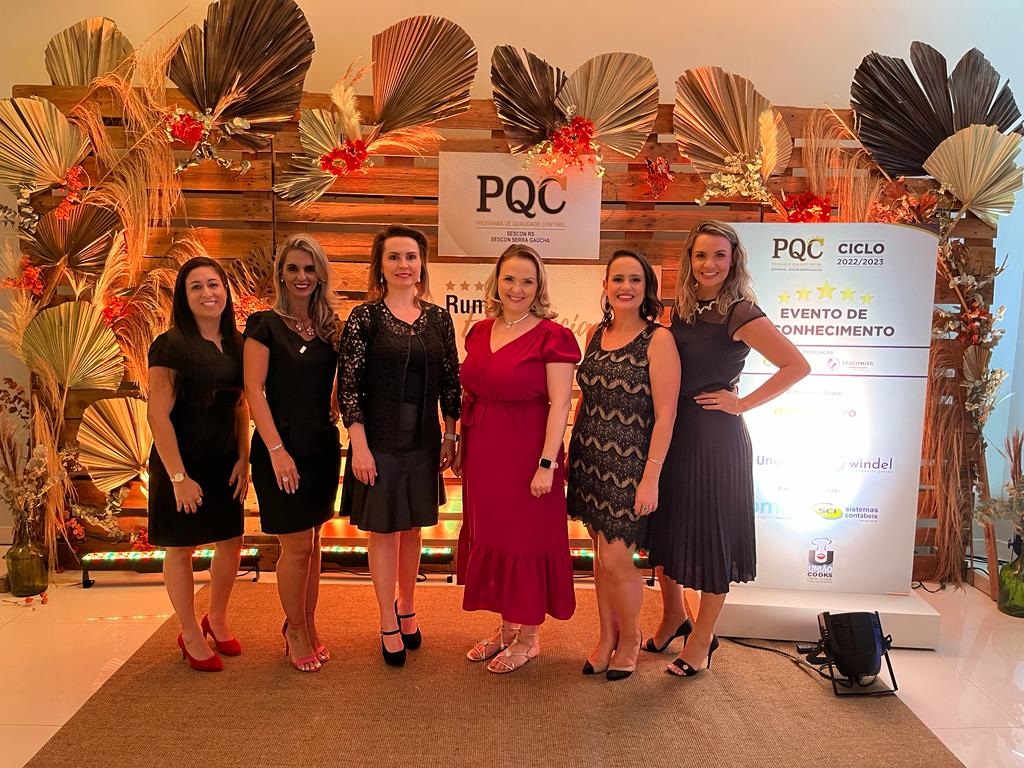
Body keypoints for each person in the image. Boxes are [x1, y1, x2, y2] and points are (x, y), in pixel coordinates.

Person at [642, 220, 810, 677]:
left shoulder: (741, 312)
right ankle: (674, 617)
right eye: (700, 255)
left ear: (733, 260)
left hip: (716, 440)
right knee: (667, 529)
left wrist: (743, 403)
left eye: (719, 255)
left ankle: (703, 638)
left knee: (711, 539)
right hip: (673, 432)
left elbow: (796, 365)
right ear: (689, 260)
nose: (709, 264)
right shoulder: (678, 309)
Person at [453, 244, 581, 674]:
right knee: (495, 536)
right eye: (509, 278)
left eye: (528, 281)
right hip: (484, 449)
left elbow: (560, 404)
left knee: (526, 541)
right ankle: (507, 628)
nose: (517, 288)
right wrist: (459, 442)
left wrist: (547, 463)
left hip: (528, 451)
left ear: (539, 286)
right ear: (497, 282)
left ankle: (529, 637)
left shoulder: (553, 336)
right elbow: (470, 391)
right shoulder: (479, 330)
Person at [339, 225, 461, 667]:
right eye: (394, 257)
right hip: (379, 442)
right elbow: (348, 386)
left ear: (422, 264)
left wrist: (450, 434)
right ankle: (387, 619)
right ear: (381, 266)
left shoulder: (439, 319)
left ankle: (407, 606)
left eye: (411, 256)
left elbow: (451, 381)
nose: (403, 265)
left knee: (413, 529)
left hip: (424, 442)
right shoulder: (365, 318)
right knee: (385, 532)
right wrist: (359, 447)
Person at [567, 249, 679, 681]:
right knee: (600, 559)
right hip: (589, 458)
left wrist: (651, 478)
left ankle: (630, 637)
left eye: (635, 279)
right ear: (605, 286)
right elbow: (587, 397)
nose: (625, 287)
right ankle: (606, 637)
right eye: (618, 279)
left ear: (647, 287)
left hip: (630, 464)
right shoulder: (595, 332)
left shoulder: (659, 339)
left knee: (617, 560)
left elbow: (666, 415)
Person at [243, 234, 341, 673]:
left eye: (309, 268)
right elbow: (253, 390)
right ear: (281, 274)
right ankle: (294, 630)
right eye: (293, 268)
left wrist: (336, 402)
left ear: (320, 274)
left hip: (321, 444)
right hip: (279, 447)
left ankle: (308, 622)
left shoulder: (329, 327)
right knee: (296, 545)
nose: (302, 276)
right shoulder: (264, 324)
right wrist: (277, 451)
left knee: (314, 542)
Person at [147, 256, 249, 672]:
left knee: (231, 542)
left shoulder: (238, 343)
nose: (208, 293)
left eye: (214, 284)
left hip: (224, 461)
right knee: (181, 548)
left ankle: (217, 617)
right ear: (184, 297)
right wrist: (178, 477)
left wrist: (244, 458)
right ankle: (189, 631)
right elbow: (158, 415)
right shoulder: (170, 345)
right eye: (197, 287)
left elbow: (240, 405)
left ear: (225, 290)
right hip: (179, 463)